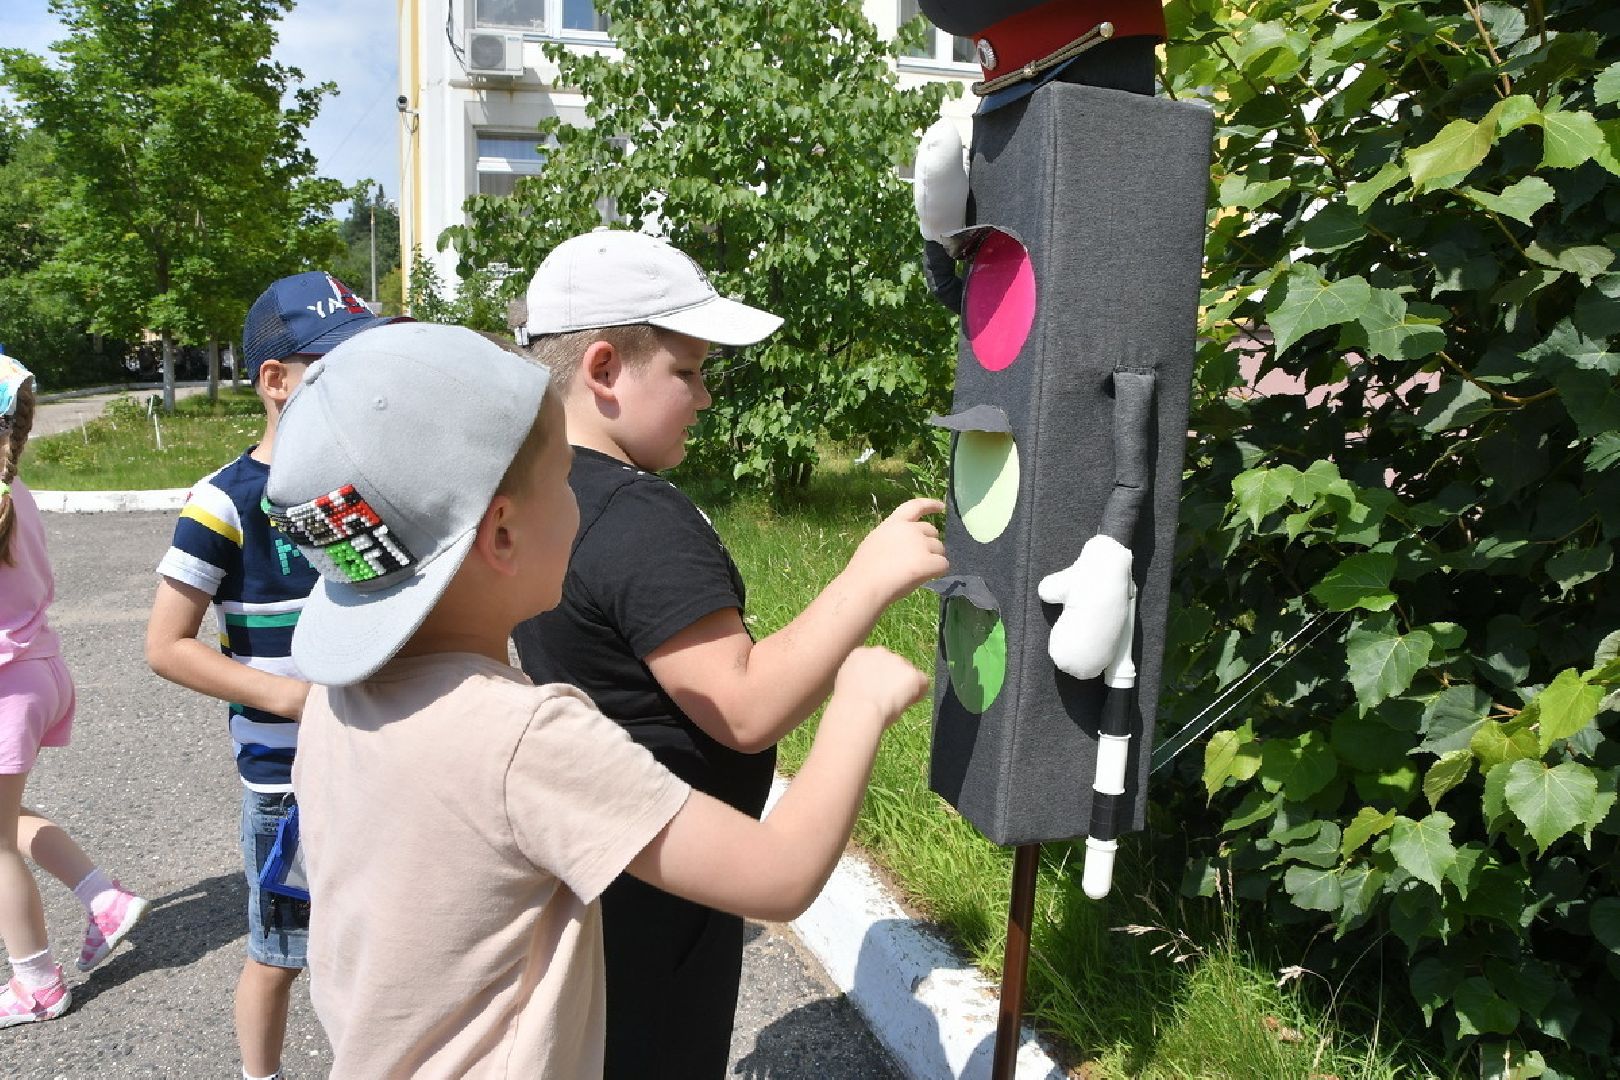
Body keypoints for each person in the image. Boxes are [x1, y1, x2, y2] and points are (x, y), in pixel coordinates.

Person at [261, 322, 932, 1078]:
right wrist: (859, 703)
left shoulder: (336, 705)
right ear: (502, 535)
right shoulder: (523, 738)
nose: (584, 507)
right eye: (564, 483)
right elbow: (777, 874)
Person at [510, 228, 949, 1076]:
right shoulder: (639, 518)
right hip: (666, 895)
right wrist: (868, 578)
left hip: (597, 875)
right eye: (688, 371)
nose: (706, 396)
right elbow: (743, 707)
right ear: (603, 369)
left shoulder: (541, 491)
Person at [144, 272, 396, 1080]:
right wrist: (293, 699)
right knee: (280, 952)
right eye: (334, 367)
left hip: (375, 760)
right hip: (285, 781)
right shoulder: (224, 502)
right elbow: (168, 644)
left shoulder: (364, 487)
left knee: (379, 947)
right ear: (276, 380)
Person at [0, 354, 150, 1029]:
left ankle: (37, 985)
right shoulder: (16, 490)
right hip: (40, 671)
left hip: (8, 685)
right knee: (6, 818)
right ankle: (102, 898)